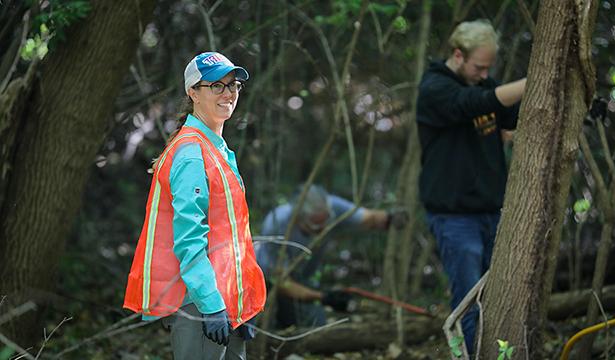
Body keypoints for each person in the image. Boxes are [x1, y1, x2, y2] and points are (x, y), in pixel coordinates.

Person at [123, 51, 266, 360]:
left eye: (234, 85)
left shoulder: (218, 149)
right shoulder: (190, 154)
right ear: (193, 92)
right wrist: (211, 304)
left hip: (228, 299)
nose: (228, 93)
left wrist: (242, 302)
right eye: (217, 85)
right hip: (201, 303)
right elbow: (189, 240)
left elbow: (231, 238)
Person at [416, 19, 526, 353]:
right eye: (479, 67)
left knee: (500, 298)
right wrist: (531, 81)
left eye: (488, 68)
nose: (483, 74)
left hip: (492, 212)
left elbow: (510, 115)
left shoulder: (483, 84)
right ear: (458, 55)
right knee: (468, 301)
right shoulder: (435, 87)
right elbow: (471, 105)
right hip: (455, 218)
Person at [254, 184, 406, 328]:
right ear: (299, 217)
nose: (322, 230)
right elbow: (282, 283)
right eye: (315, 226)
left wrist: (390, 218)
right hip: (269, 282)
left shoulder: (332, 207)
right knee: (268, 322)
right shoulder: (277, 224)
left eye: (325, 223)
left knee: (316, 324)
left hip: (303, 280)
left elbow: (366, 218)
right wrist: (324, 297)